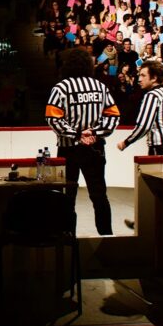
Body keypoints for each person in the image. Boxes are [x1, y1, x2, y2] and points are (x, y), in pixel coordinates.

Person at [46, 48, 121, 236]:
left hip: (69, 149)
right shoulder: (100, 87)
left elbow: (53, 118)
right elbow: (113, 116)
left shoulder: (61, 88)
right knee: (99, 195)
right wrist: (95, 131)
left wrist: (77, 134)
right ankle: (106, 237)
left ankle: (67, 237)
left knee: (67, 197)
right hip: (95, 147)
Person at [117, 61, 163, 155]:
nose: (139, 79)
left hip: (159, 146)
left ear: (154, 78)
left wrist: (126, 142)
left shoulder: (152, 95)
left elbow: (144, 126)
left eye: (143, 75)